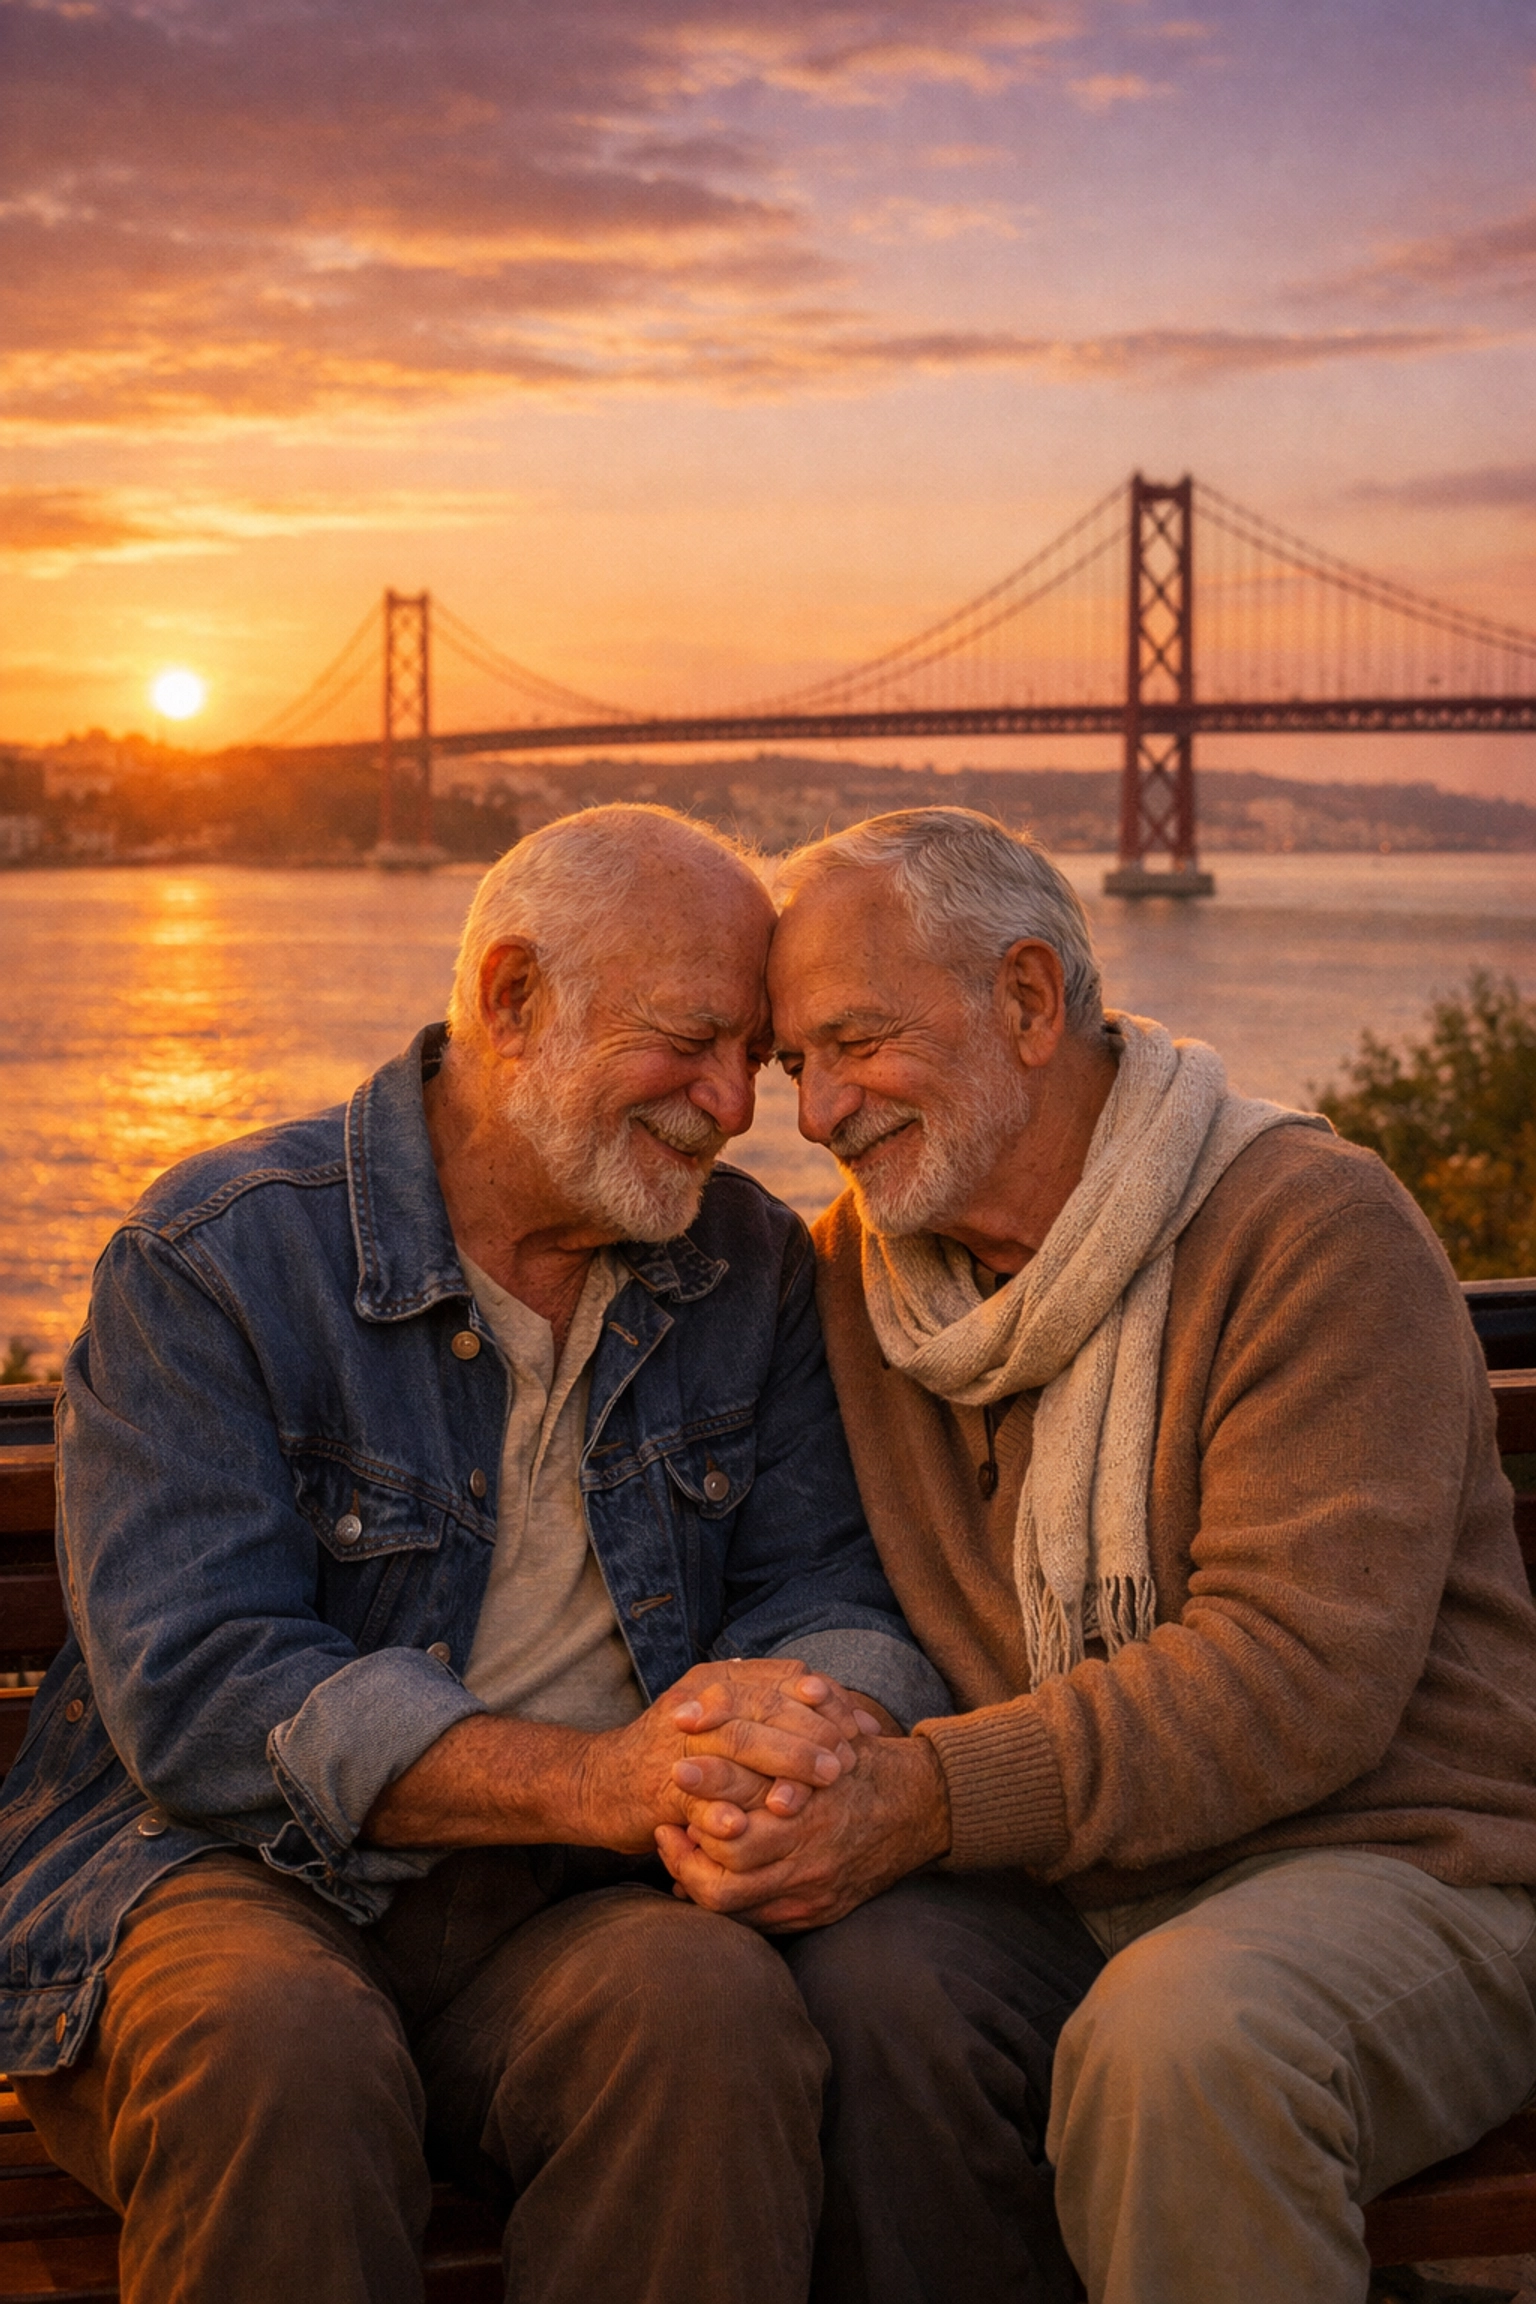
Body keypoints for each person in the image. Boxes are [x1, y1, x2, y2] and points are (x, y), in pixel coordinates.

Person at [0, 803, 947, 2304]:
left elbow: (826, 1587)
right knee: (283, 2053)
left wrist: (791, 1744)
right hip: (226, 1877)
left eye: (749, 1058)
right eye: (688, 1041)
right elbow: (205, 1689)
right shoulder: (215, 1260)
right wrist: (601, 1783)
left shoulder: (747, 1266)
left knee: (710, 2010)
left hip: (562, 1914)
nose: (734, 1106)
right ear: (513, 1001)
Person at [660, 806, 1536, 2304]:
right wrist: (752, 1776)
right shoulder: (850, 1285)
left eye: (860, 1042)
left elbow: (1292, 1682)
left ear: (1025, 1001)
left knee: (1186, 2038)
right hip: (1075, 1890)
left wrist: (923, 1794)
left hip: (1405, 1869)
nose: (820, 1117)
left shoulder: (1312, 1233)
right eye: (801, 1063)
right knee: (860, 1995)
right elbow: (803, 1587)